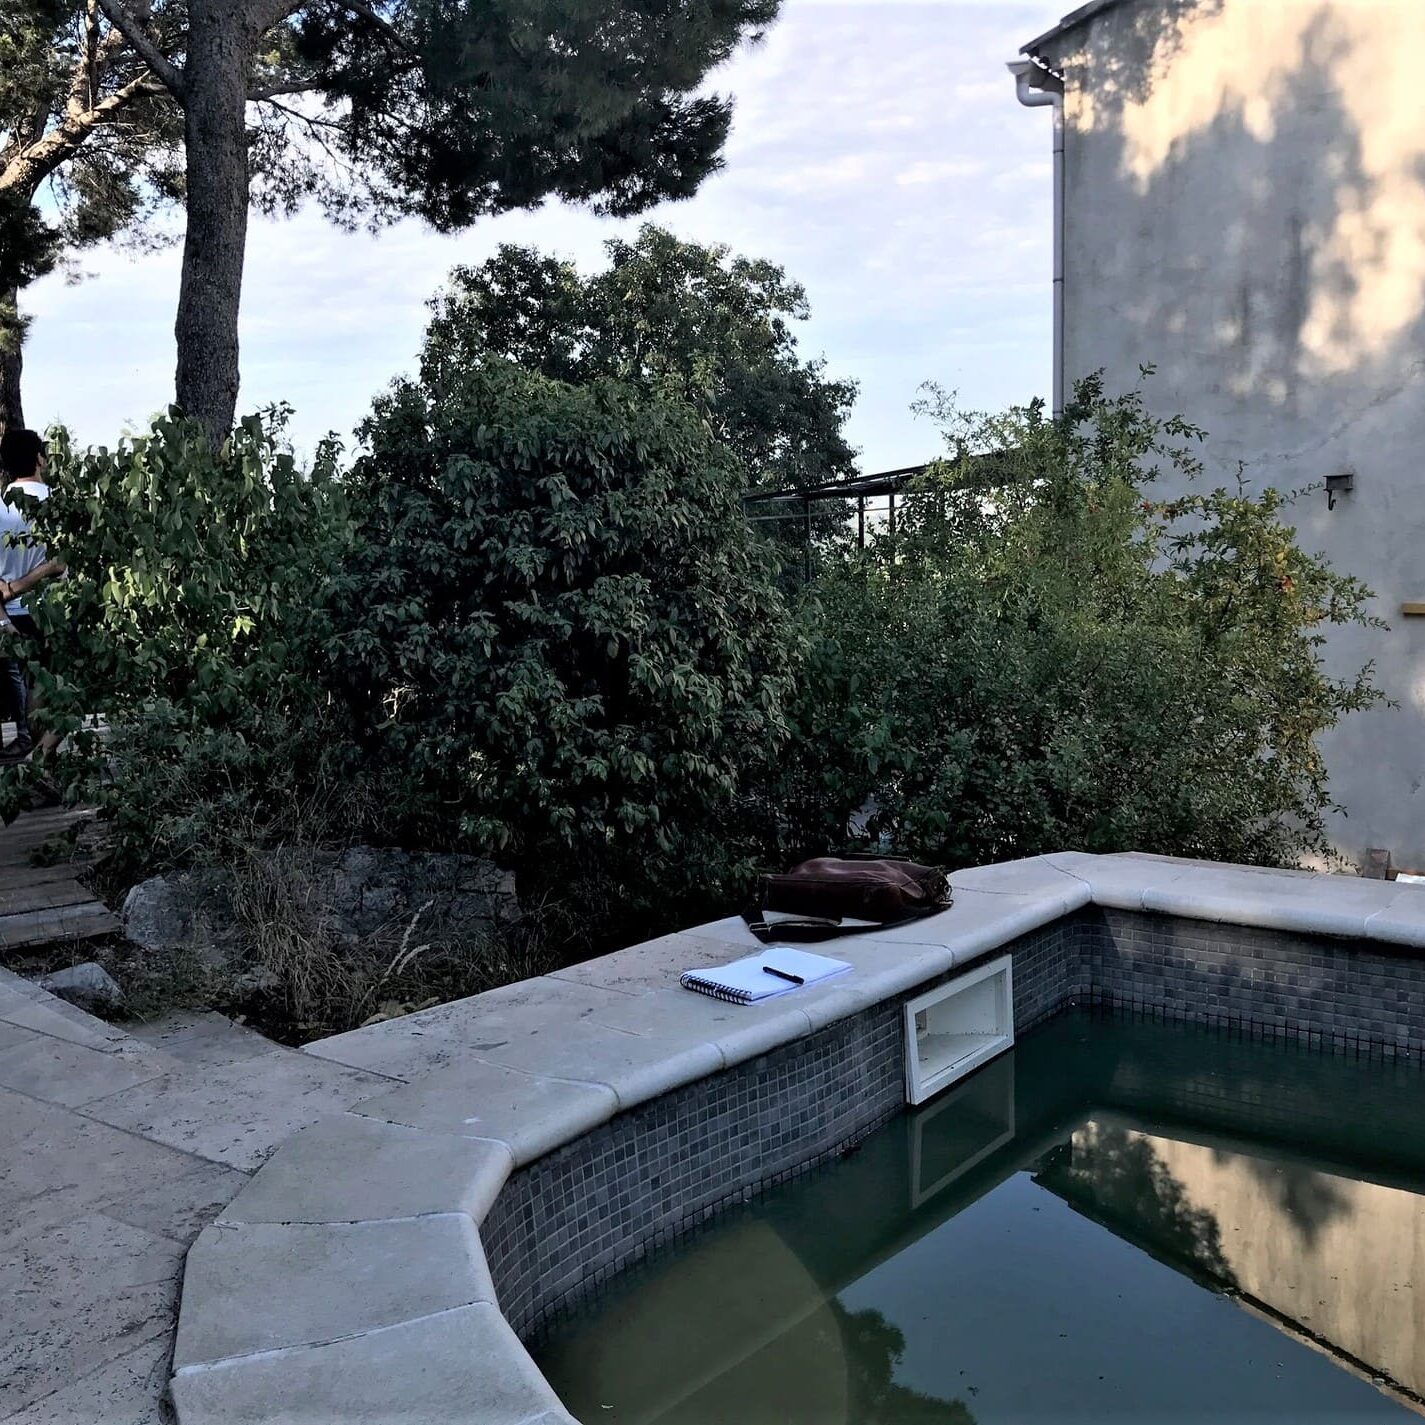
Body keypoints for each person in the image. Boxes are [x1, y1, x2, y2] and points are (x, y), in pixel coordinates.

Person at [0, 429, 66, 766]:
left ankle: (43, 765)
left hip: (13, 613)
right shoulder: (57, 501)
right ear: (39, 458)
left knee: (34, 685)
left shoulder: (0, 506)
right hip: (57, 608)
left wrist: (8, 600)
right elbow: (63, 563)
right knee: (68, 685)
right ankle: (42, 761)